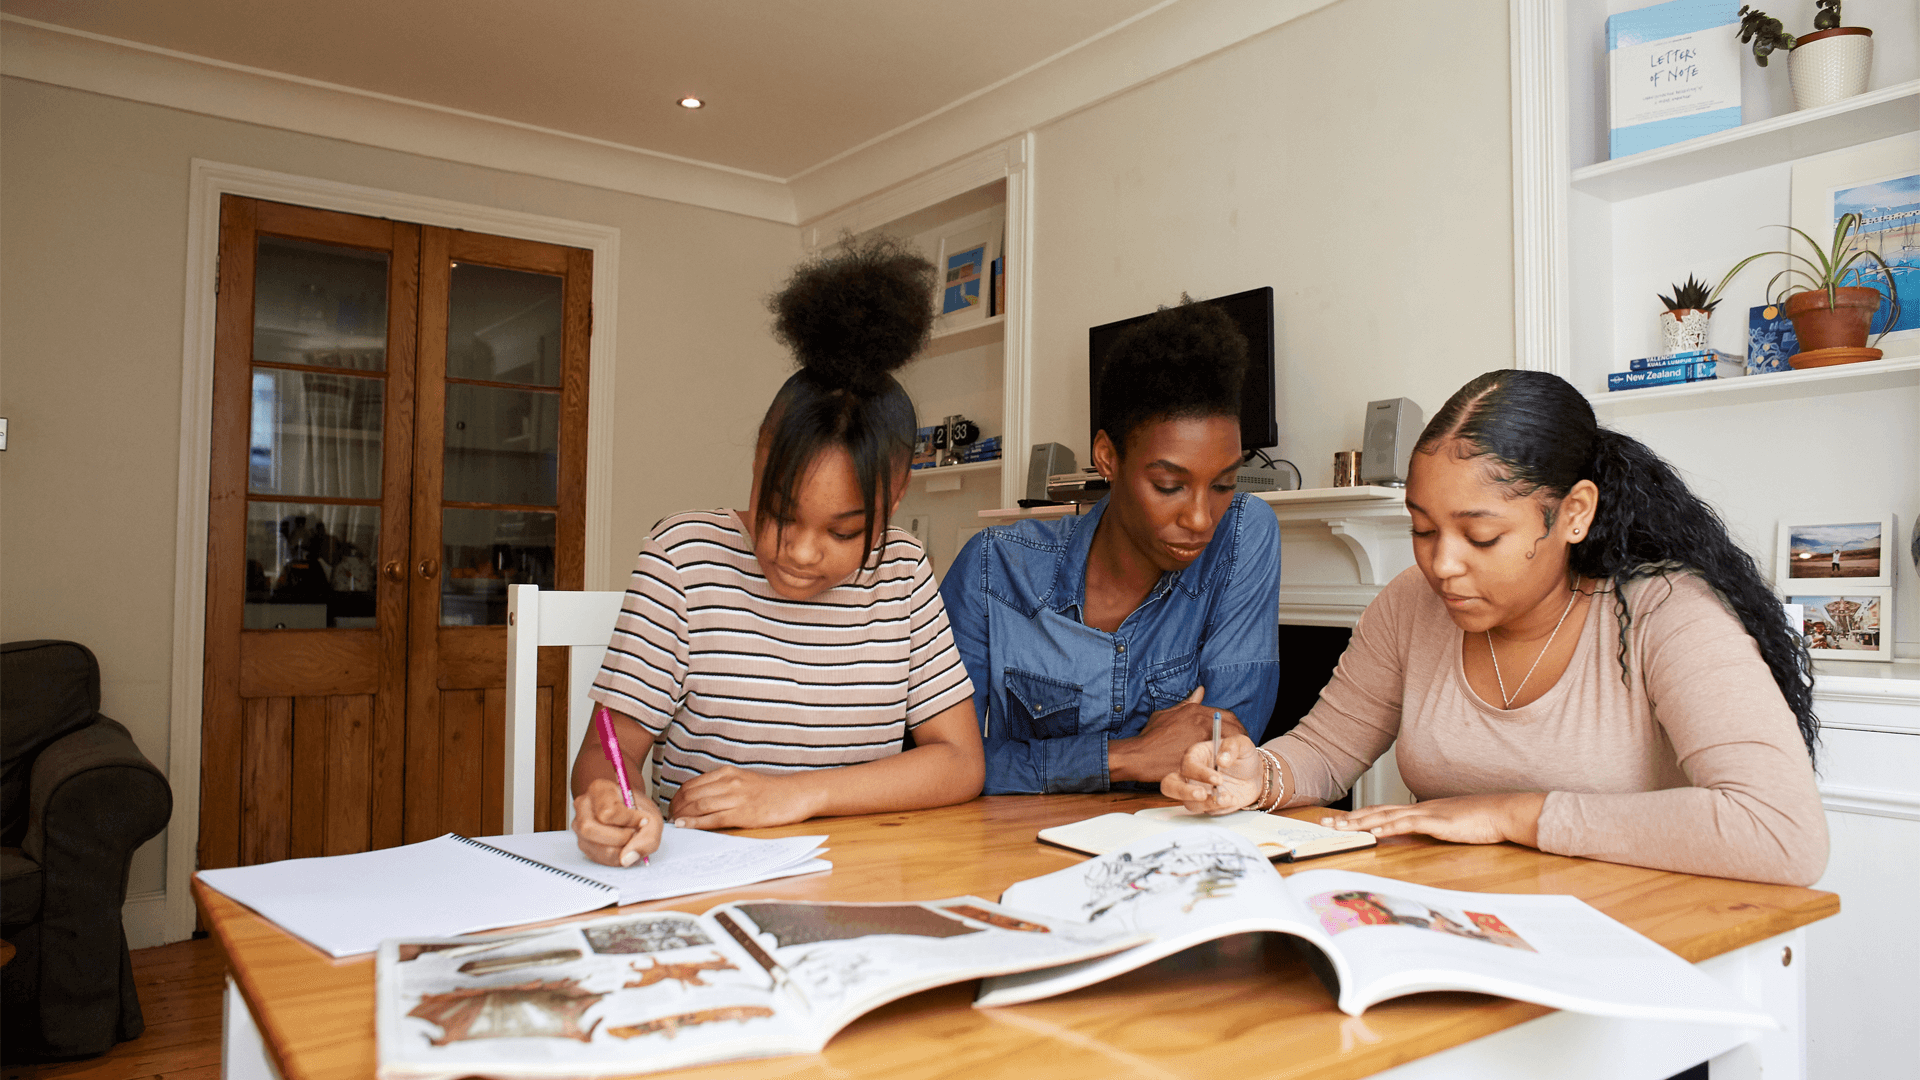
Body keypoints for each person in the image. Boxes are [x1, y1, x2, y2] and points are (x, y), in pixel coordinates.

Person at [1163, 369, 1828, 887]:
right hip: (1455, 924)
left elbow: (1779, 830)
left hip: (1633, 942)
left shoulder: (1666, 614)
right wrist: (1258, 775)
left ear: (1573, 514)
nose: (1441, 564)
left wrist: (1510, 813)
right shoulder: (1410, 604)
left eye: (1480, 534)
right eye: (1422, 530)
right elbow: (1328, 750)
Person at [570, 238, 984, 868]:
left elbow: (960, 762)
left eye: (842, 532)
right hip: (703, 881)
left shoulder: (902, 571)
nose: (799, 552)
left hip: (856, 881)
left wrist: (796, 796)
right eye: (779, 512)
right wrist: (609, 797)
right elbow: (607, 753)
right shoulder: (683, 558)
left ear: (895, 497)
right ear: (758, 461)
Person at [941, 298, 1280, 794]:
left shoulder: (1243, 534)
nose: (1201, 518)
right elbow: (944, 764)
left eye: (1224, 484)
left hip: (1171, 851)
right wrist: (1127, 757)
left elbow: (1226, 752)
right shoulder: (995, 567)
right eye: (1168, 485)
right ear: (1107, 457)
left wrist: (1042, 765)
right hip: (1014, 851)